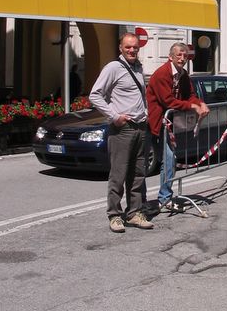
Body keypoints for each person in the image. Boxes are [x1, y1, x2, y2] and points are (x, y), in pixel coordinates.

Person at [89, 32, 153, 233]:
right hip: (122, 129)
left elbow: (140, 95)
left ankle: (134, 213)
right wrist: (114, 116)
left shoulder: (138, 67)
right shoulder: (113, 68)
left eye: (135, 47)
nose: (132, 50)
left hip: (140, 127)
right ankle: (114, 215)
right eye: (128, 47)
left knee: (138, 174)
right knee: (118, 174)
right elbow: (95, 95)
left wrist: (145, 113)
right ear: (120, 48)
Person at [146, 43, 210, 212]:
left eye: (185, 55)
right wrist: (192, 106)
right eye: (179, 55)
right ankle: (157, 199)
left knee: (169, 160)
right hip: (156, 122)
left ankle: (164, 197)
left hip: (171, 123)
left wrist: (200, 103)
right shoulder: (162, 74)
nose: (182, 58)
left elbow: (190, 95)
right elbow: (167, 101)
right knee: (161, 160)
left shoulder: (183, 74)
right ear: (170, 57)